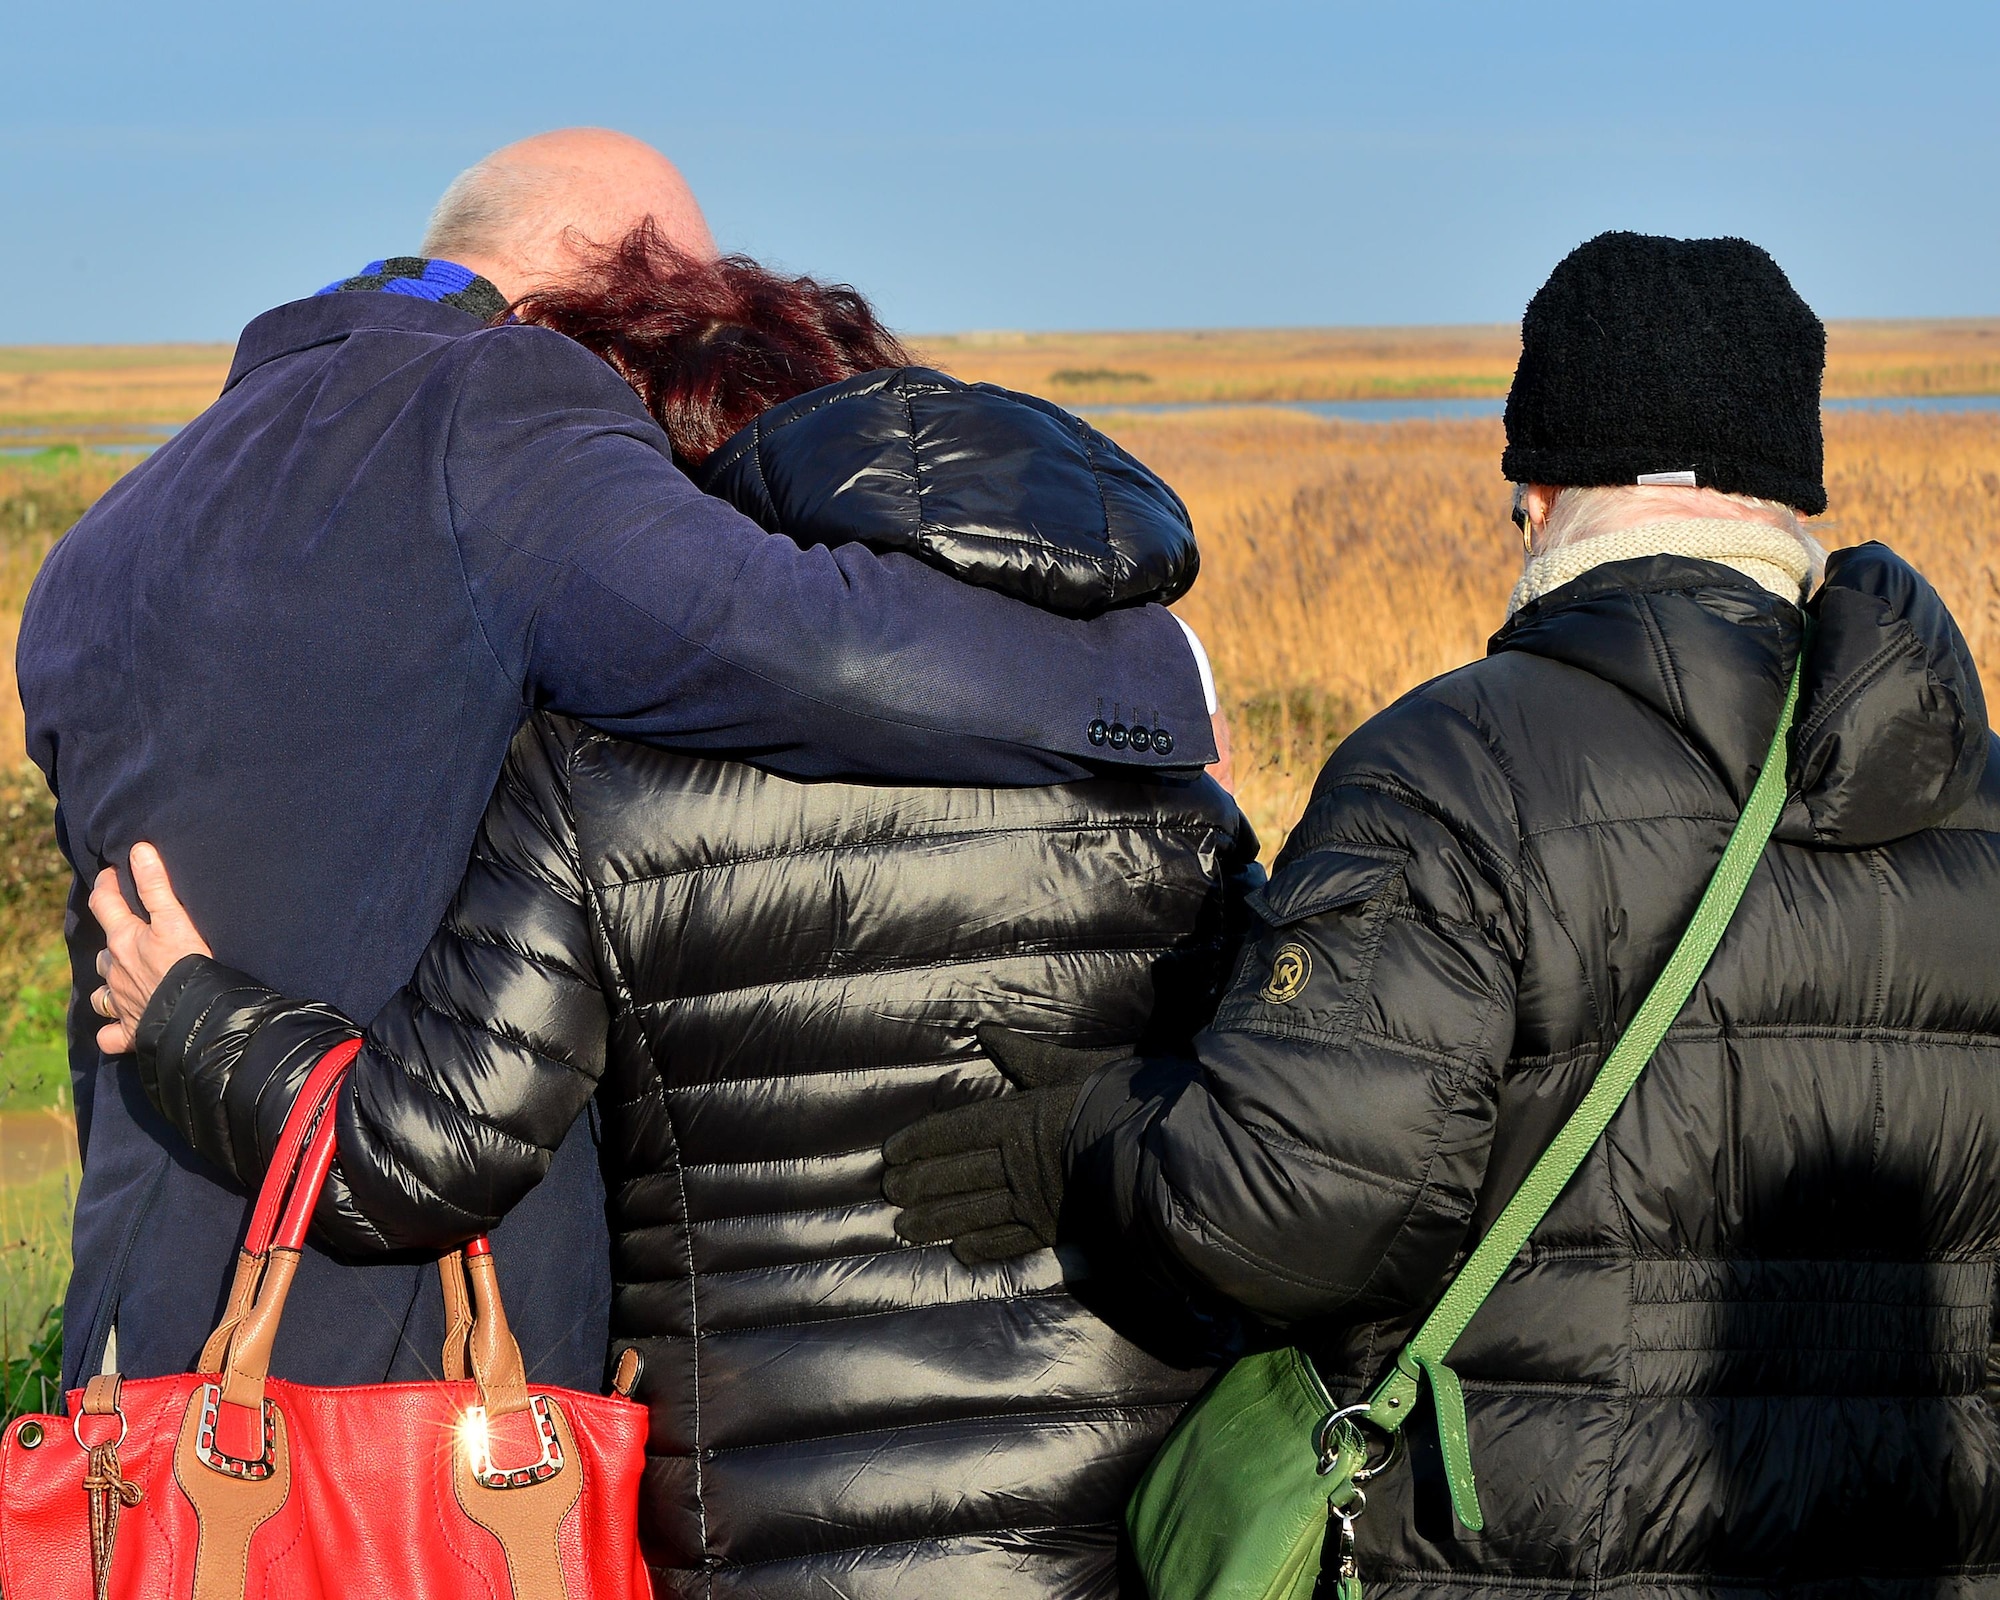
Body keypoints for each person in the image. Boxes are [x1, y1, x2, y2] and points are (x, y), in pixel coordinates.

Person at [93, 227, 1258, 1598]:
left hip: (782, 1536)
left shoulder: (603, 790)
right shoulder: (1169, 781)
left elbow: (426, 1147)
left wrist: (192, 1019)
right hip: (1141, 1511)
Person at [879, 232, 2000, 1587]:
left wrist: (1086, 1136)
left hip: (1531, 1557)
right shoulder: (1976, 794)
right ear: (1786, 489)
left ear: (1536, 491)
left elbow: (1291, 1210)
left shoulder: (1453, 770)